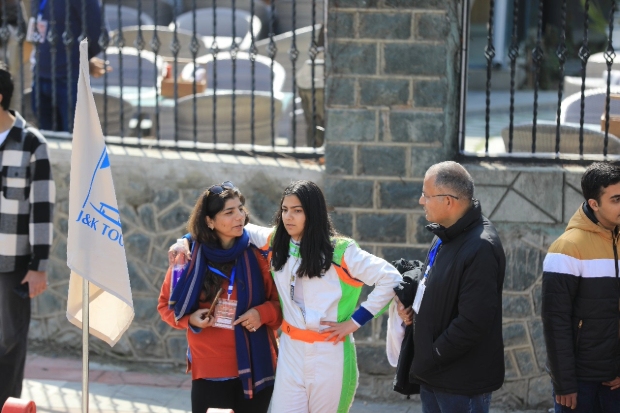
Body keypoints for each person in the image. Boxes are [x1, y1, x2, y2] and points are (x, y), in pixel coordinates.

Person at [244, 180, 401, 413]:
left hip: (330, 355)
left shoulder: (341, 251)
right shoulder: (276, 240)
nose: (289, 217)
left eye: (297, 211)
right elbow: (235, 228)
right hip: (290, 353)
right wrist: (185, 242)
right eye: (285, 210)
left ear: (313, 213)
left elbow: (391, 278)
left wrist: (355, 322)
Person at [158, 181, 281, 413]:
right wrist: (190, 319)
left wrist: (261, 314)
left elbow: (279, 307)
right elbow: (166, 306)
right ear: (209, 221)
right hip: (209, 369)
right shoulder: (187, 257)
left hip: (256, 366)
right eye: (229, 212)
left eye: (241, 209)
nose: (240, 217)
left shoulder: (258, 255)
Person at [394, 161, 506, 413]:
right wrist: (410, 306)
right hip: (434, 373)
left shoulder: (481, 246)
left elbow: (473, 322)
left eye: (426, 195)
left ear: (448, 200)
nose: (421, 201)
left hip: (459, 381)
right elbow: (432, 280)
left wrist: (433, 355)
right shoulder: (445, 232)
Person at [542, 162, 620, 412]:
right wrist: (564, 384)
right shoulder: (566, 248)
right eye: (616, 199)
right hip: (579, 382)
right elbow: (555, 320)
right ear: (594, 203)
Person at [0, 62, 55, 406]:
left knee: (8, 341)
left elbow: (43, 208)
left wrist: (39, 265)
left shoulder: (33, 143)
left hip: (15, 264)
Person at [31, 0, 106, 132]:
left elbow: (100, 36)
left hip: (68, 78)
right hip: (40, 77)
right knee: (48, 141)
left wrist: (80, 59)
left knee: (73, 142)